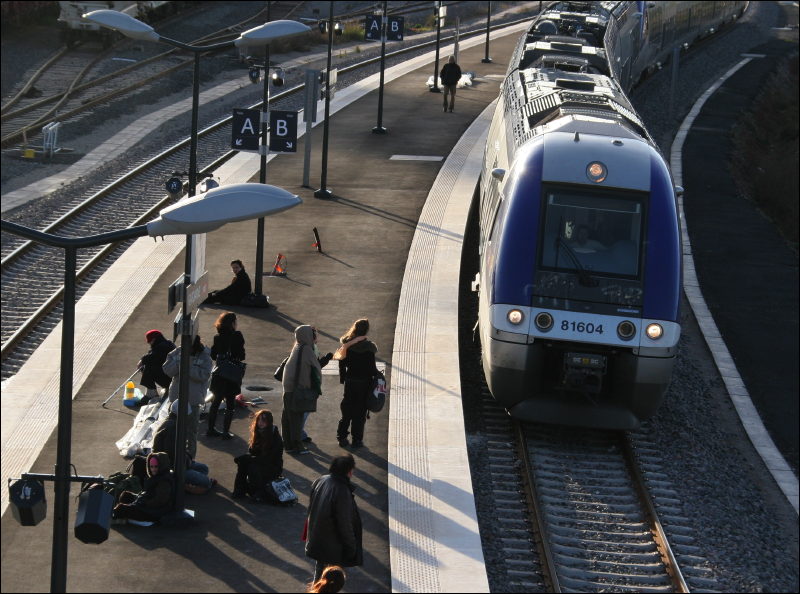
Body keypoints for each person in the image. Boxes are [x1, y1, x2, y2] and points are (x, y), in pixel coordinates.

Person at [305, 455, 363, 582]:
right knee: (331, 580)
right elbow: (345, 524)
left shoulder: (321, 480)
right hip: (334, 546)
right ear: (349, 471)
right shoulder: (342, 491)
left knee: (319, 573)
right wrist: (351, 548)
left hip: (318, 539)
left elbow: (311, 509)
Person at [162, 334, 212, 459]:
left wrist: (188, 366)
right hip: (176, 399)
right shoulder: (177, 352)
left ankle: (190, 459)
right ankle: (173, 457)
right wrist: (179, 364)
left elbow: (204, 375)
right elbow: (167, 369)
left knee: (191, 432)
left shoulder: (205, 356)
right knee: (173, 430)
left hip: (193, 401)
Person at [152, 400, 215, 493]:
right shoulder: (173, 429)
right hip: (171, 467)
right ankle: (182, 484)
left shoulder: (172, 423)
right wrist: (187, 462)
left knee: (204, 468)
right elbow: (173, 455)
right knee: (205, 481)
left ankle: (186, 482)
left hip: (176, 462)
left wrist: (187, 459)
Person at [336, 319, 379, 448]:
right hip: (364, 383)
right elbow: (372, 369)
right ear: (366, 330)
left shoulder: (347, 345)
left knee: (347, 410)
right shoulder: (369, 347)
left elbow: (341, 364)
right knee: (360, 413)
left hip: (350, 382)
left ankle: (342, 437)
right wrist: (378, 376)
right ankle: (357, 440)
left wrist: (343, 379)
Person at [281, 325, 321, 454]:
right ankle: (298, 446)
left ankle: (288, 445)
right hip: (298, 389)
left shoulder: (297, 347)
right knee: (297, 418)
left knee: (287, 418)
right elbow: (316, 369)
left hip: (288, 388)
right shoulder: (307, 350)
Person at [207, 311, 246, 439]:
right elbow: (241, 355)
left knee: (216, 401)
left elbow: (213, 355)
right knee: (230, 403)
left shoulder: (217, 337)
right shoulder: (238, 336)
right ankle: (225, 432)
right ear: (233, 323)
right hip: (232, 375)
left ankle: (211, 429)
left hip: (219, 374)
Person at [233, 409, 284, 501]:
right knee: (243, 463)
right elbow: (252, 452)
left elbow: (269, 459)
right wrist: (247, 458)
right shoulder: (258, 432)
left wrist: (249, 458)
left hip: (272, 467)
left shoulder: (275, 437)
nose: (260, 423)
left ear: (269, 422)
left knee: (252, 465)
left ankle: (258, 493)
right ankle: (239, 490)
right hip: (260, 461)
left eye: (264, 420)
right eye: (259, 420)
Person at [111, 451, 175, 526]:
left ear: (161, 466)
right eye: (151, 467)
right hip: (147, 505)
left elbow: (159, 501)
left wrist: (142, 503)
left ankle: (113, 517)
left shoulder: (164, 481)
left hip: (153, 512)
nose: (153, 469)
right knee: (126, 495)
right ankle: (123, 516)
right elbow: (148, 493)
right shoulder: (155, 477)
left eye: (156, 466)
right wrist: (139, 498)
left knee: (121, 508)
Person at [301, 327, 334, 444]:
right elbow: (315, 366)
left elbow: (317, 365)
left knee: (305, 410)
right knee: (304, 410)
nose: (317, 338)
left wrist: (326, 359)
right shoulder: (307, 350)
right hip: (306, 385)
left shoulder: (311, 348)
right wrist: (327, 358)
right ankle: (298, 434)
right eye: (315, 336)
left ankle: (299, 432)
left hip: (310, 384)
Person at [137, 329, 176, 405]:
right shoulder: (167, 343)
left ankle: (151, 394)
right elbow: (153, 354)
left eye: (150, 341)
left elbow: (151, 357)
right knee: (149, 366)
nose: (150, 344)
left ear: (154, 339)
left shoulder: (161, 347)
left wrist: (142, 361)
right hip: (172, 377)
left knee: (148, 368)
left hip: (170, 379)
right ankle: (151, 392)